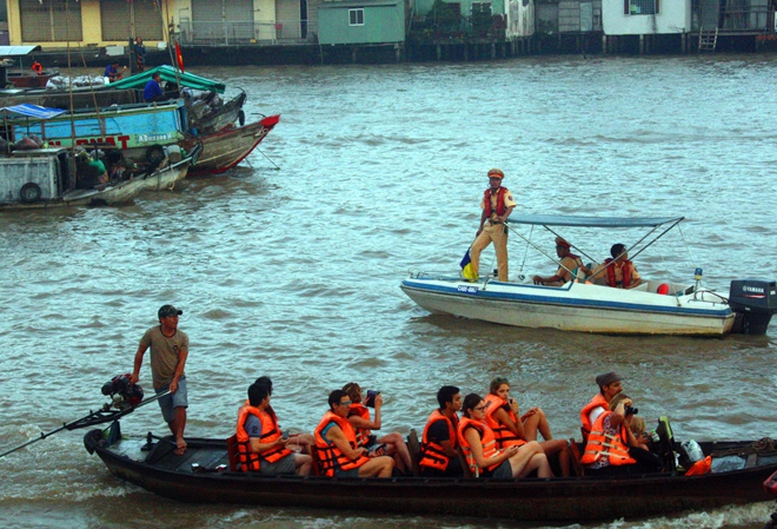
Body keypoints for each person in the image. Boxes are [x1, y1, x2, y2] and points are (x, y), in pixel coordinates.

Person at [130, 305, 189, 455]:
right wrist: (135, 374)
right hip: (160, 381)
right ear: (162, 320)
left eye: (177, 316)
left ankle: (180, 438)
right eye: (172, 316)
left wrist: (175, 380)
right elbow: (140, 352)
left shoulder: (182, 337)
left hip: (177, 377)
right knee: (169, 416)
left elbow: (182, 361)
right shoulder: (151, 334)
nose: (176, 319)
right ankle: (178, 439)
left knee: (180, 404)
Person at [483, 377, 571, 477]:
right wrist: (516, 413)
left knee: (537, 412)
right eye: (501, 391)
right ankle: (565, 477)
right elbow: (519, 432)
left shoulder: (496, 405)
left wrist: (524, 416)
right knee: (563, 444)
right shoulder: (499, 411)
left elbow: (508, 428)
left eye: (507, 391)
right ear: (494, 392)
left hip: (517, 442)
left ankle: (551, 444)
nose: (506, 394)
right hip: (514, 449)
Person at [457, 393, 552, 479]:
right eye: (480, 409)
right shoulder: (471, 431)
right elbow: (481, 463)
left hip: (497, 465)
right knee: (534, 445)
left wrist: (502, 451)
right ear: (470, 411)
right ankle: (556, 481)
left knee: (540, 458)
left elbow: (488, 451)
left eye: (485, 407)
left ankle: (548, 490)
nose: (484, 411)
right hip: (492, 473)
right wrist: (505, 455)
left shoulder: (479, 422)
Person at [235, 382, 312, 475]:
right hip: (264, 463)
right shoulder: (254, 421)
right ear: (263, 401)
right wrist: (276, 443)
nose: (269, 400)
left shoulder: (260, 413)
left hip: (269, 457)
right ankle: (297, 487)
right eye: (268, 397)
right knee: (308, 460)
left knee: (302, 448)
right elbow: (255, 448)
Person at [313, 390, 394, 478]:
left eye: (349, 402)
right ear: (335, 405)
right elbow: (352, 455)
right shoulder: (333, 428)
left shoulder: (340, 420)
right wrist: (363, 450)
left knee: (385, 458)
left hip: (348, 464)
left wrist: (368, 454)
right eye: (345, 403)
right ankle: (378, 491)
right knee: (388, 462)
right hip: (340, 471)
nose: (349, 406)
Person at [580, 393, 663, 475]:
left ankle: (660, 468)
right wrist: (622, 403)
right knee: (646, 467)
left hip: (613, 465)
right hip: (601, 467)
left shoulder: (621, 425)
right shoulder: (608, 418)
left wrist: (627, 428)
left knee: (646, 460)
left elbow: (635, 446)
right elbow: (619, 415)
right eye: (626, 408)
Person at [342, 382, 412, 474]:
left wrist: (363, 405)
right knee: (395, 447)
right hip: (365, 449)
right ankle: (406, 474)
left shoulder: (355, 411)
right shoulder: (352, 418)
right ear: (356, 395)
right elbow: (377, 426)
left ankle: (410, 470)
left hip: (369, 441)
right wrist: (377, 407)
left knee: (396, 436)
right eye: (360, 392)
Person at [469, 168, 516, 281]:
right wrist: (480, 228)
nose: (494, 182)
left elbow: (510, 207)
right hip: (488, 226)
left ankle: (503, 281)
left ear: (500, 181)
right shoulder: (487, 194)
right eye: (492, 179)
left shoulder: (505, 193)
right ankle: (473, 277)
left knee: (501, 256)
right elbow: (485, 211)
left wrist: (504, 217)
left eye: (497, 179)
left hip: (499, 227)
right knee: (475, 248)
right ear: (489, 180)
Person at [253, 375, 314, 454]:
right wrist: (277, 442)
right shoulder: (255, 415)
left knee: (309, 437)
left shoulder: (262, 408)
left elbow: (269, 430)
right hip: (272, 445)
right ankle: (314, 463)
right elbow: (258, 442)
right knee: (304, 445)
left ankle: (316, 463)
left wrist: (288, 435)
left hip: (276, 439)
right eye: (270, 390)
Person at [418, 385, 464, 477]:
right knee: (468, 462)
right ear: (448, 404)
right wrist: (466, 456)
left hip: (445, 459)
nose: (460, 402)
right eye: (457, 399)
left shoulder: (452, 416)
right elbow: (449, 451)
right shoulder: (440, 424)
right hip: (436, 467)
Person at [580, 372, 623, 440]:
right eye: (616, 385)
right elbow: (610, 435)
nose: (621, 389)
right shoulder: (598, 411)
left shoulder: (612, 405)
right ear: (605, 388)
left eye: (620, 385)